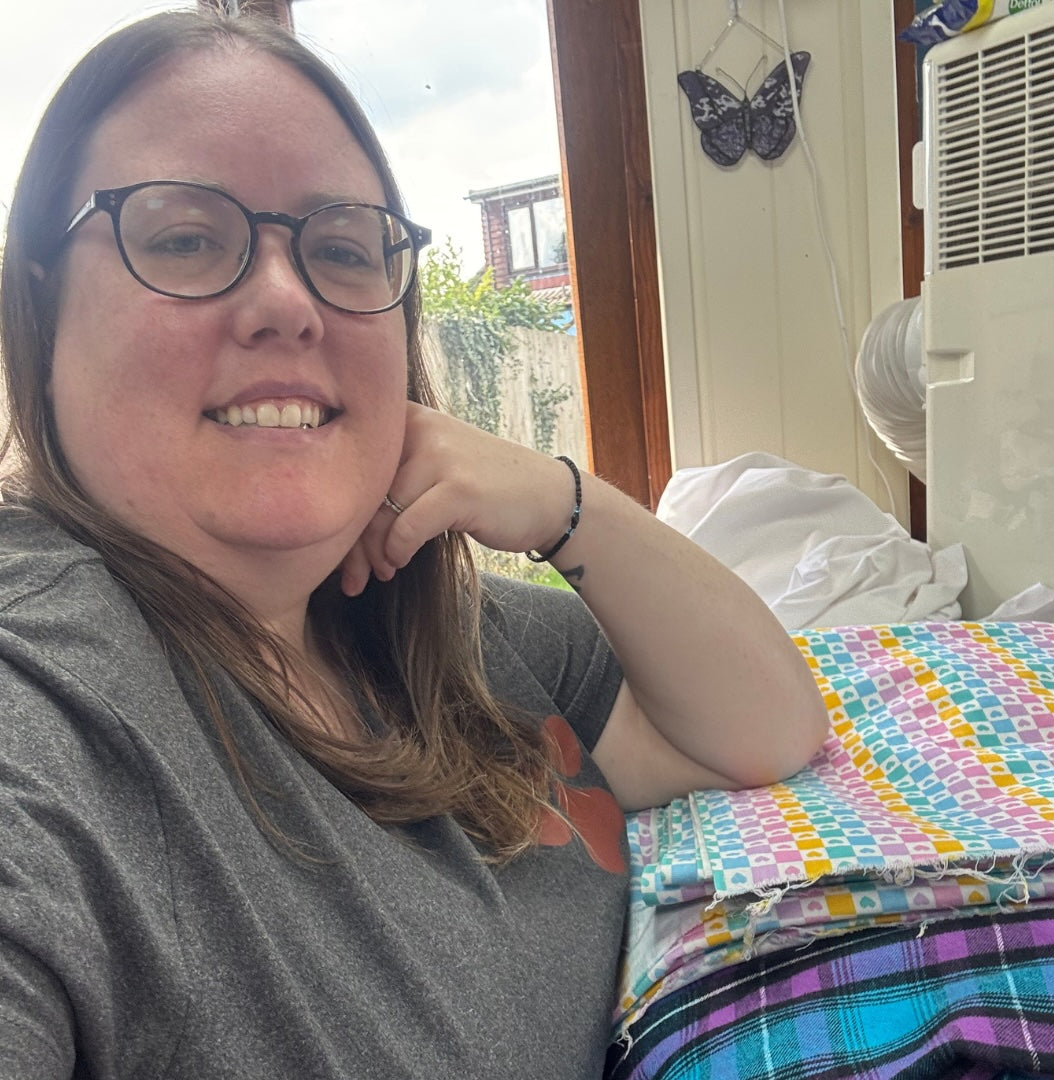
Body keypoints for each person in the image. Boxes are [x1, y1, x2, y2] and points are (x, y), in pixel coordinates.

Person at [0, 10, 828, 1079]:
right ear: (39, 310)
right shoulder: (46, 698)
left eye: (344, 249)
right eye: (185, 237)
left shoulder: (454, 631)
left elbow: (763, 729)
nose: (287, 302)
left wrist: (565, 503)